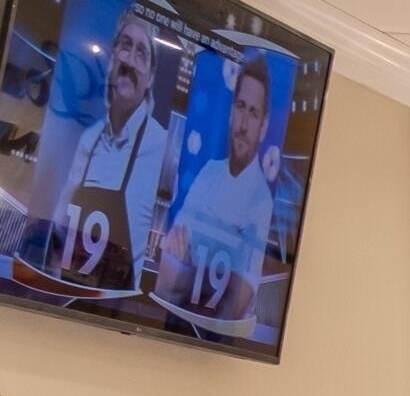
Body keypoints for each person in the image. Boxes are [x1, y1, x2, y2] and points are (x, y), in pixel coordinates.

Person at [46, 17, 173, 294]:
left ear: (151, 76)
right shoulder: (89, 139)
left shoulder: (161, 144)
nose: (130, 61)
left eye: (141, 54)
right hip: (65, 292)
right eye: (125, 47)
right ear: (113, 57)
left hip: (117, 304)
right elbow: (59, 223)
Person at [160, 62, 283, 323]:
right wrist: (213, 279)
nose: (243, 124)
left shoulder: (262, 202)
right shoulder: (208, 173)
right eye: (240, 107)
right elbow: (164, 279)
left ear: (263, 127)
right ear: (231, 112)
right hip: (169, 321)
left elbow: (235, 307)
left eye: (253, 113)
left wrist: (186, 269)